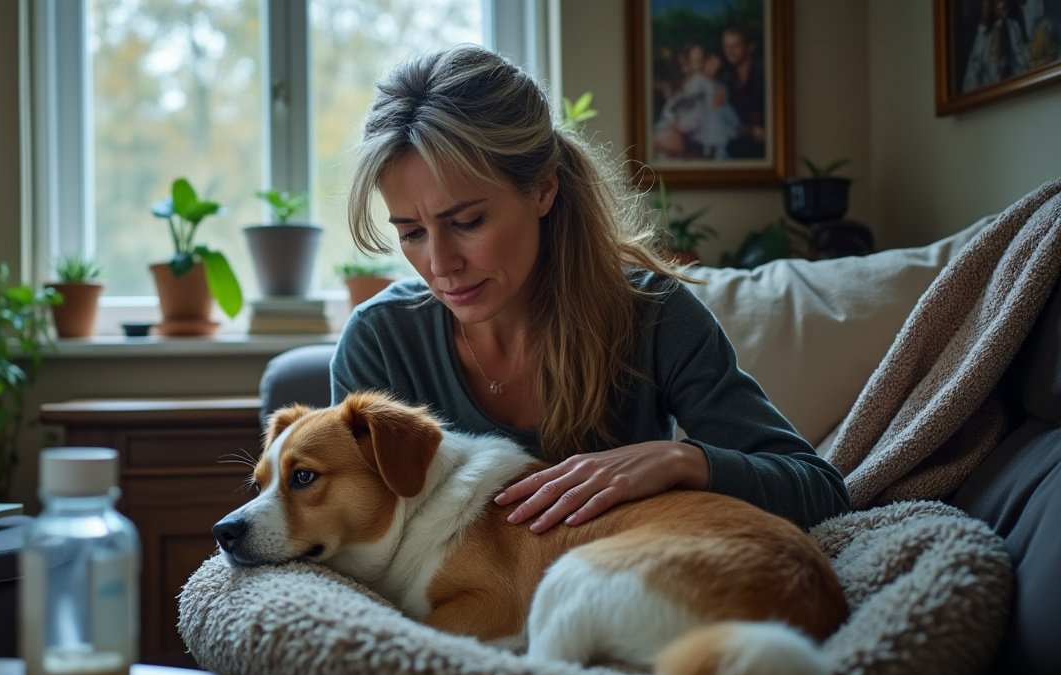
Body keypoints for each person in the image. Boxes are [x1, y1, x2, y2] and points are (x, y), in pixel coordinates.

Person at [332, 44, 850, 534]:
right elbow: (357, 535)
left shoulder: (655, 316)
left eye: (467, 221)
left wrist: (678, 460)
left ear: (542, 189)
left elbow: (820, 491)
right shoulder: (380, 342)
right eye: (412, 234)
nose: (440, 264)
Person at [962, 0, 1032, 90]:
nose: (1001, 4)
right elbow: (974, 67)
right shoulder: (984, 35)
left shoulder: (1013, 27)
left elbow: (1022, 60)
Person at [720, 26, 765, 159]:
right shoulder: (725, 79)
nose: (730, 51)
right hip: (733, 149)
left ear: (749, 47)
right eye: (726, 47)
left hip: (758, 153)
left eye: (735, 46)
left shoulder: (762, 78)